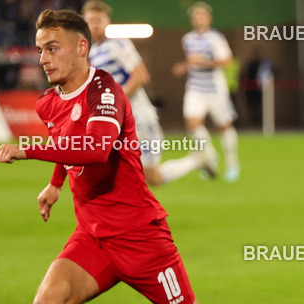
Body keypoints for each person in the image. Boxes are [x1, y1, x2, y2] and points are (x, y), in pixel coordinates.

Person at [0, 9, 297, 304]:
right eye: (39, 49)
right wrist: (55, 185)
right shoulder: (50, 101)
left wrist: (28, 151)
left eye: (52, 47)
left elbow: (95, 148)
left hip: (142, 239)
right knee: (48, 303)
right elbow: (68, 143)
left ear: (81, 47)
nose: (43, 57)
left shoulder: (106, 92)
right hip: (94, 236)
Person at [82, 0, 216, 185]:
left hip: (139, 120)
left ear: (108, 21)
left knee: (152, 178)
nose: (95, 24)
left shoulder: (118, 44)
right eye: (91, 20)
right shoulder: (94, 52)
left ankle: (196, 160)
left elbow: (141, 76)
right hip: (120, 122)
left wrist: (115, 100)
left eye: (99, 19)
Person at [172, 2, 239, 182]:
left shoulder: (216, 38)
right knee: (192, 122)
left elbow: (227, 61)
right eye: (195, 16)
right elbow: (192, 62)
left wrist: (203, 61)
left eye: (201, 15)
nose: (198, 19)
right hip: (195, 87)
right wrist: (185, 67)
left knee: (224, 125)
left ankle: (232, 163)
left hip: (215, 88)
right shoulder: (188, 39)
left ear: (208, 18)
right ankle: (210, 155)